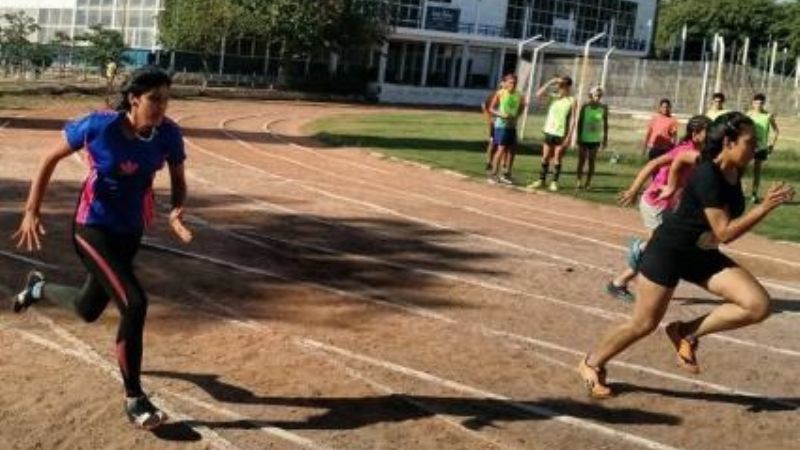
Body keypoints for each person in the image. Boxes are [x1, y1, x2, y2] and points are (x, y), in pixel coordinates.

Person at [11, 66, 193, 429]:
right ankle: (135, 399)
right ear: (134, 98)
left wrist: (175, 212)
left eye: (166, 99)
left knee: (87, 308)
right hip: (91, 229)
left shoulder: (168, 135)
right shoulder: (99, 126)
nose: (161, 107)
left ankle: (38, 288)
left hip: (129, 233)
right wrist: (31, 210)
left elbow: (178, 179)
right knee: (134, 303)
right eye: (155, 99)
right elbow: (48, 159)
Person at [579, 112, 795, 398]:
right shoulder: (708, 174)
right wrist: (764, 207)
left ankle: (686, 332)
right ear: (729, 142)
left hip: (701, 254)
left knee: (758, 305)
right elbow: (724, 232)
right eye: (750, 141)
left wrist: (674, 183)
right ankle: (590, 364)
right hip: (669, 251)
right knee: (643, 324)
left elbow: (682, 160)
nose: (757, 146)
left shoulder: (733, 169)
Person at [607, 115, 712, 302]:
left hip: (669, 205)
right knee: (661, 247)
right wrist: (633, 189)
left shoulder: (698, 151)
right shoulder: (685, 150)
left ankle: (625, 277)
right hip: (656, 202)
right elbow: (653, 164)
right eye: (708, 133)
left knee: (666, 245)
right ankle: (622, 279)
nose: (712, 136)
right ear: (695, 134)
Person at [529, 76, 576, 192]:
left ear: (568, 87)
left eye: (563, 86)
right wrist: (551, 81)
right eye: (559, 86)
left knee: (557, 158)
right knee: (545, 157)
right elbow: (538, 94)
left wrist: (569, 136)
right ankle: (541, 180)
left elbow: (573, 119)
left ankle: (554, 182)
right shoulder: (554, 97)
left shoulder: (572, 100)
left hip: (561, 133)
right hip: (549, 131)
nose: (560, 88)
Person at [487, 74, 526, 185]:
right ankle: (493, 174)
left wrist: (517, 115)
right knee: (501, 149)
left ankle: (507, 174)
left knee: (512, 150)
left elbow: (522, 107)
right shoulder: (501, 93)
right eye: (510, 82)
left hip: (512, 126)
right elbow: (491, 108)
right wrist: (501, 114)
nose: (512, 85)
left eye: (514, 83)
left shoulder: (519, 95)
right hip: (501, 125)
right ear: (505, 83)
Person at [746, 93, 779, 203]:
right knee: (740, 168)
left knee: (757, 172)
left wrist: (772, 145)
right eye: (756, 103)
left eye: (761, 103)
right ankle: (736, 191)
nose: (758, 105)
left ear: (763, 104)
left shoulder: (768, 116)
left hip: (761, 148)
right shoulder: (748, 115)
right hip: (748, 146)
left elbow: (776, 131)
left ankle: (754, 195)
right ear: (752, 103)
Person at [576, 86, 608, 191]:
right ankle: (578, 181)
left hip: (595, 140)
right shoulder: (585, 107)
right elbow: (580, 122)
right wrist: (578, 136)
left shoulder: (603, 108)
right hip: (584, 138)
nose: (598, 97)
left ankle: (588, 183)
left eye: (599, 96)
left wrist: (605, 139)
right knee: (581, 160)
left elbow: (605, 124)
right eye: (596, 95)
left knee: (591, 161)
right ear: (591, 95)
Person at [481, 87, 499, 173]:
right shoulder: (495, 96)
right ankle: (489, 162)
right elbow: (484, 105)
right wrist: (489, 118)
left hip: (503, 123)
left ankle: (500, 165)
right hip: (494, 123)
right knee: (493, 142)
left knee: (501, 146)